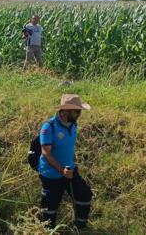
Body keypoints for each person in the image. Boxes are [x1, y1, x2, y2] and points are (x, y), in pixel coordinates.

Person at [38, 94, 94, 229]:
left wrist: (68, 169)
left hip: (70, 170)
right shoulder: (48, 127)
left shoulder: (73, 124)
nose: (80, 114)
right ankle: (47, 231)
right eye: (77, 111)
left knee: (84, 194)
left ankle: (80, 228)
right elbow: (46, 153)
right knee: (50, 208)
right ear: (65, 111)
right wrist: (61, 170)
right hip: (52, 174)